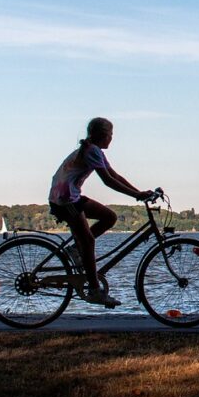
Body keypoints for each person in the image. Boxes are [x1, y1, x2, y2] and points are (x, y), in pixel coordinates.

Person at [48, 117, 154, 307]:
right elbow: (108, 181)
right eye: (111, 134)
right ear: (103, 135)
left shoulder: (94, 150)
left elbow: (114, 174)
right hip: (65, 199)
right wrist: (136, 196)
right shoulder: (91, 150)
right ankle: (95, 290)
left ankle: (74, 249)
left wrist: (139, 193)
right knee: (88, 241)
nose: (112, 138)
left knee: (109, 217)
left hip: (70, 196)